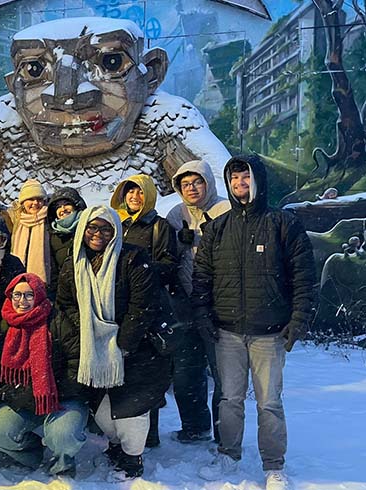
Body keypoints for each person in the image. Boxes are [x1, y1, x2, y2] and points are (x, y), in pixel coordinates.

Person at [193, 155, 316, 489]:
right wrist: (203, 318)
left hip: (270, 333)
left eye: (245, 178)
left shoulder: (283, 224)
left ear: (257, 180)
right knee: (229, 399)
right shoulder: (218, 227)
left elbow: (304, 277)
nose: (240, 185)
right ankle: (228, 455)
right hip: (227, 332)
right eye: (234, 180)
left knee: (269, 403)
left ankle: (273, 465)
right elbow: (202, 277)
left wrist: (297, 321)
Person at [56, 206, 171, 479]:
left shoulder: (132, 257)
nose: (98, 234)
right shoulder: (72, 263)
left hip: (133, 348)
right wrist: (88, 329)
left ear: (116, 232)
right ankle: (117, 446)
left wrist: (121, 341)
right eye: (92, 228)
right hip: (91, 348)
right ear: (82, 229)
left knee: (132, 409)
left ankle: (133, 459)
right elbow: (66, 302)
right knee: (102, 410)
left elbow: (142, 305)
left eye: (106, 229)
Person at [0, 273, 88, 477]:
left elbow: (77, 365)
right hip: (23, 397)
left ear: (39, 296)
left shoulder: (58, 321)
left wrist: (49, 391)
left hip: (62, 397)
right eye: (17, 295)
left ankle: (62, 464)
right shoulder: (5, 324)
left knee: (62, 435)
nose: (22, 301)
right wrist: (16, 394)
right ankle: (34, 455)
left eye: (28, 295)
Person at [109, 174, 178, 447]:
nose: (134, 197)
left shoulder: (159, 226)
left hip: (149, 306)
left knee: (148, 373)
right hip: (119, 306)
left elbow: (168, 264)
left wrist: (138, 271)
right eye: (130, 192)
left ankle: (149, 434)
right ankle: (122, 433)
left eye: (139, 192)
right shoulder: (117, 223)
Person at [166, 160, 231, 444]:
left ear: (208, 182)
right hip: (186, 302)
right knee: (186, 371)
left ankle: (224, 432)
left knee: (223, 372)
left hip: (219, 303)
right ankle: (194, 425)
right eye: (185, 184)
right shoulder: (175, 214)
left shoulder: (225, 210)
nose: (192, 188)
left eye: (197, 182)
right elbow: (169, 257)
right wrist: (180, 242)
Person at [47, 187, 87, 297]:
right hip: (66, 290)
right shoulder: (53, 236)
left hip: (88, 285)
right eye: (58, 207)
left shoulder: (88, 227)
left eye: (67, 204)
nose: (63, 209)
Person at [10, 179, 51, 284]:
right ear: (23, 202)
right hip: (18, 280)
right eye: (31, 199)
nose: (35, 203)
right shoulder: (15, 219)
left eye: (39, 199)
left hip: (45, 283)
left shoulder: (49, 219)